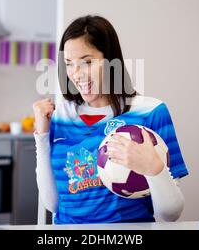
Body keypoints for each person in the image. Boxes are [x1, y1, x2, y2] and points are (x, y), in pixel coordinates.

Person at [33, 15, 188, 224]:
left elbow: (170, 214)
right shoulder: (59, 117)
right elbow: (52, 205)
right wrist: (42, 136)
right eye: (69, 64)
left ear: (111, 61)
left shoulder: (151, 112)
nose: (76, 74)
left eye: (87, 62)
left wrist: (154, 168)